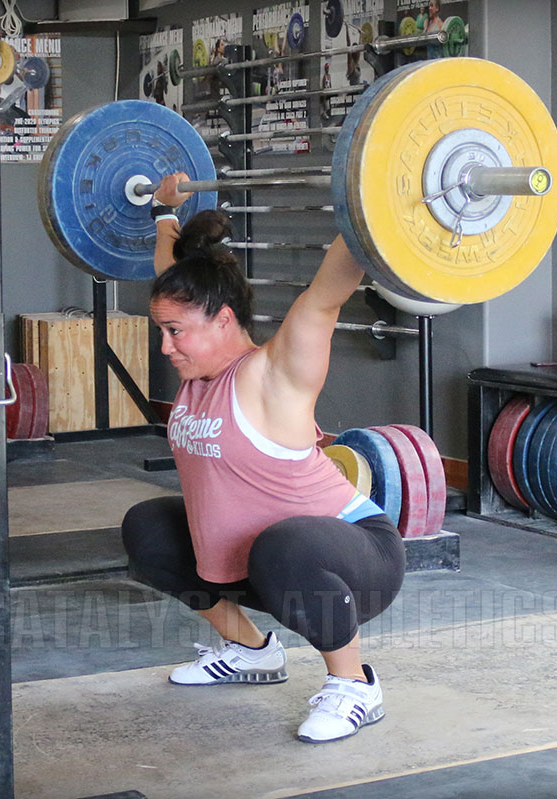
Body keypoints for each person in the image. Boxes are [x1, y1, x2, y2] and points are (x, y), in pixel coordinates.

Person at [121, 173, 406, 744]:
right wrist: (162, 210)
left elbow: (326, 295)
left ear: (223, 320)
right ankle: (251, 651)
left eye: (175, 332)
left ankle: (355, 685)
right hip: (260, 561)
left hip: (351, 558)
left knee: (284, 545)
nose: (165, 347)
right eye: (162, 331)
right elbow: (173, 279)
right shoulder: (196, 354)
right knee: (148, 527)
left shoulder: (271, 375)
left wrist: (376, 192)